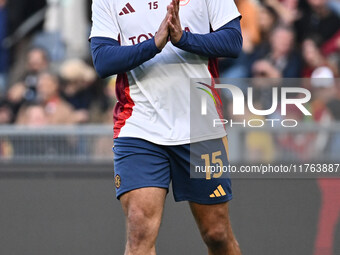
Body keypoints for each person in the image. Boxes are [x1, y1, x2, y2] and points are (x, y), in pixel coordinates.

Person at [90, 0, 243, 254]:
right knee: (139, 232)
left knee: (216, 234)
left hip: (200, 126)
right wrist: (154, 44)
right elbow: (102, 60)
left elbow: (233, 41)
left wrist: (182, 38)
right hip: (139, 126)